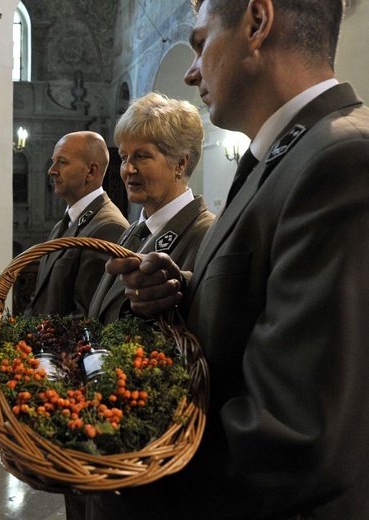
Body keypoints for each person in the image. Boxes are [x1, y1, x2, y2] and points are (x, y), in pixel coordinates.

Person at [99, 0, 369, 518]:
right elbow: (262, 305)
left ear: (257, 22)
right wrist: (182, 289)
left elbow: (297, 433)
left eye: (200, 44)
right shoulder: (283, 155)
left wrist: (131, 460)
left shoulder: (341, 158)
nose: (190, 69)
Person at [88, 92, 214, 326]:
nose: (128, 170)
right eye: (124, 158)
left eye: (142, 156)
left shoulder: (206, 233)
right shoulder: (133, 231)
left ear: (180, 163)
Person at [24, 130, 129, 319]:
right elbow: (40, 300)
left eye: (62, 162)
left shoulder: (107, 226)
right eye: (53, 161)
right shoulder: (63, 225)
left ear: (91, 170)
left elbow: (86, 319)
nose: (52, 170)